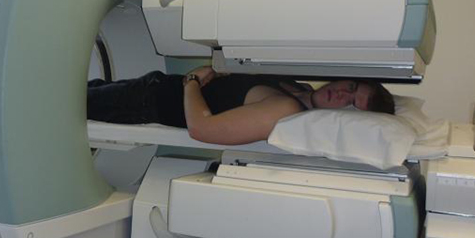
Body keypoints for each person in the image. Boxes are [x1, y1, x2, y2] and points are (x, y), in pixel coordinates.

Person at [87, 66, 395, 145]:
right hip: (152, 86)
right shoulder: (297, 87)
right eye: (352, 88)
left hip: (147, 104)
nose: (342, 95)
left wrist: (192, 80)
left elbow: (202, 128)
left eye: (352, 103)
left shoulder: (286, 110)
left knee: (60, 103)